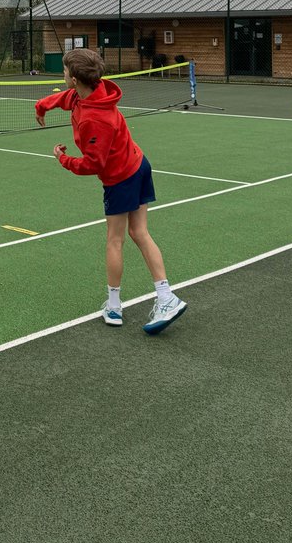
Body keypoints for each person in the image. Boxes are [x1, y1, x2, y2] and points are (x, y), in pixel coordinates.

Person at [34, 47, 187, 334]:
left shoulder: (95, 119)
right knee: (139, 232)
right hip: (138, 164)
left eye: (65, 71)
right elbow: (68, 99)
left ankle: (115, 307)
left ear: (76, 78)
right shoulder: (92, 92)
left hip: (121, 178)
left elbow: (93, 163)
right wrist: (43, 105)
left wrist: (63, 159)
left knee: (115, 240)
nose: (63, 74)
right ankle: (166, 297)